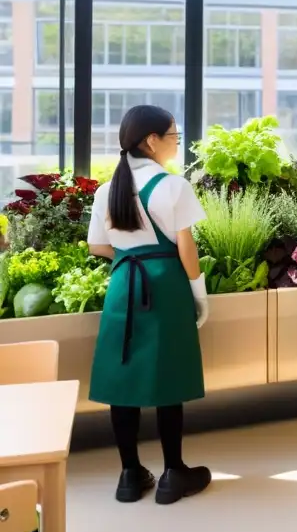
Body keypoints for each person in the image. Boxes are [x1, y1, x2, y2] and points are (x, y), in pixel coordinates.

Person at [87, 105, 212, 504]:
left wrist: (130, 255)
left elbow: (96, 245)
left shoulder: (108, 190)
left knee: (123, 379)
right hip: (166, 285)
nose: (177, 141)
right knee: (167, 378)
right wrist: (199, 293)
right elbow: (187, 249)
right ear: (152, 141)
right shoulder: (174, 186)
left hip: (125, 283)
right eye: (174, 135)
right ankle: (173, 473)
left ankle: (129, 475)